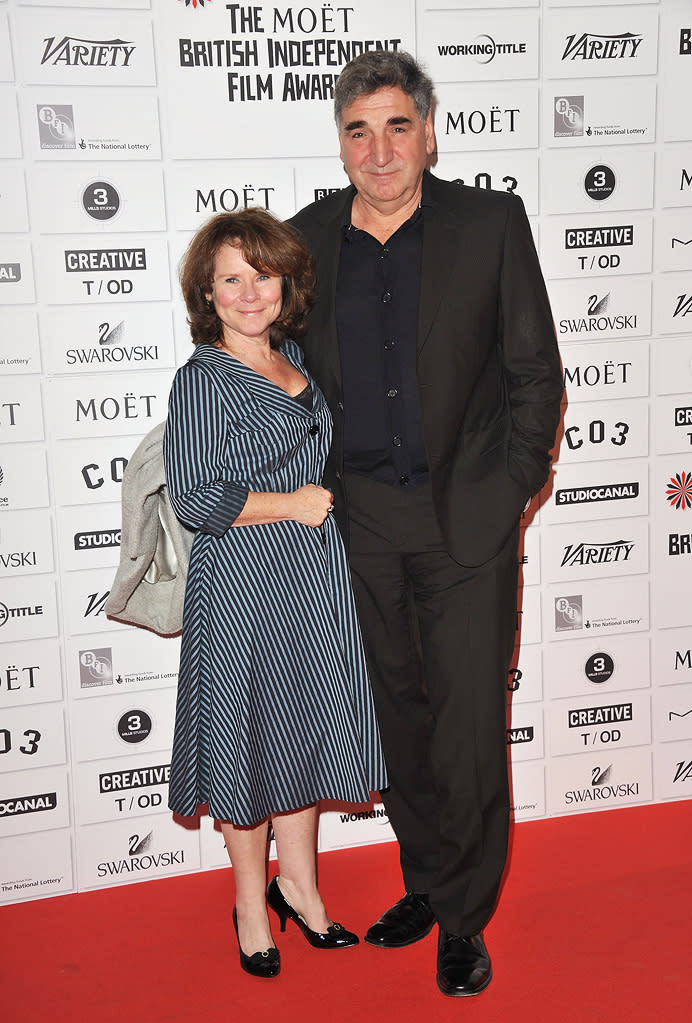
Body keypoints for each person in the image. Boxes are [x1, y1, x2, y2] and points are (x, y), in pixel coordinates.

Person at [290, 50, 563, 996]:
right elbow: (277, 382)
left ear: (430, 130)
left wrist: (509, 491)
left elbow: (535, 373)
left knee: (467, 731)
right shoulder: (306, 241)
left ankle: (465, 916)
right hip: (355, 526)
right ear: (341, 142)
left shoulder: (491, 223)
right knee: (397, 722)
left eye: (397, 125)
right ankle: (426, 878)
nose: (380, 148)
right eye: (358, 129)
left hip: (465, 522)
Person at [163, 208, 387, 979]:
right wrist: (289, 503)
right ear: (208, 292)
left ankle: (302, 887)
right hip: (244, 586)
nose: (250, 291)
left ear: (284, 281)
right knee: (248, 742)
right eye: (231, 278)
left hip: (308, 581)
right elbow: (195, 495)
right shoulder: (203, 377)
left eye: (262, 274)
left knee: (295, 734)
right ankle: (252, 905)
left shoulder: (293, 357)